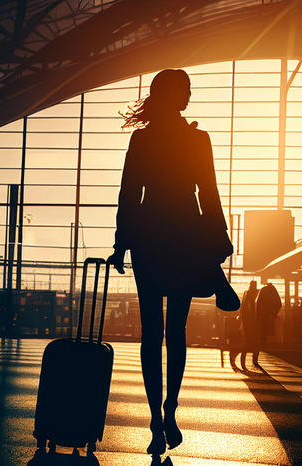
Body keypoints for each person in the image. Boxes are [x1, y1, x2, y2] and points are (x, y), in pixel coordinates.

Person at [107, 69, 239, 456]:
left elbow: (129, 193)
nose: (189, 95)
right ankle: (170, 409)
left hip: (149, 236)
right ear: (172, 94)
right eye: (185, 89)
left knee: (152, 333)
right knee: (175, 331)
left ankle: (154, 417)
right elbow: (208, 191)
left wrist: (121, 243)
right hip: (184, 231)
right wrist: (219, 237)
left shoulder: (142, 139)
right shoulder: (197, 139)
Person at [252, 282, 282, 368]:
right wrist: (273, 315)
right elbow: (278, 304)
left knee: (258, 337)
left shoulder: (263, 291)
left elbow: (257, 305)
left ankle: (255, 356)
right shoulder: (272, 292)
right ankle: (257, 355)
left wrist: (258, 316)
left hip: (260, 319)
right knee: (262, 338)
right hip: (266, 319)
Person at [238, 280, 260, 371]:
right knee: (256, 342)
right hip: (255, 322)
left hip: (248, 321)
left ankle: (243, 361)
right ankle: (255, 360)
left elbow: (243, 307)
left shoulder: (246, 293)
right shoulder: (258, 293)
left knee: (247, 341)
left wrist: (242, 319)